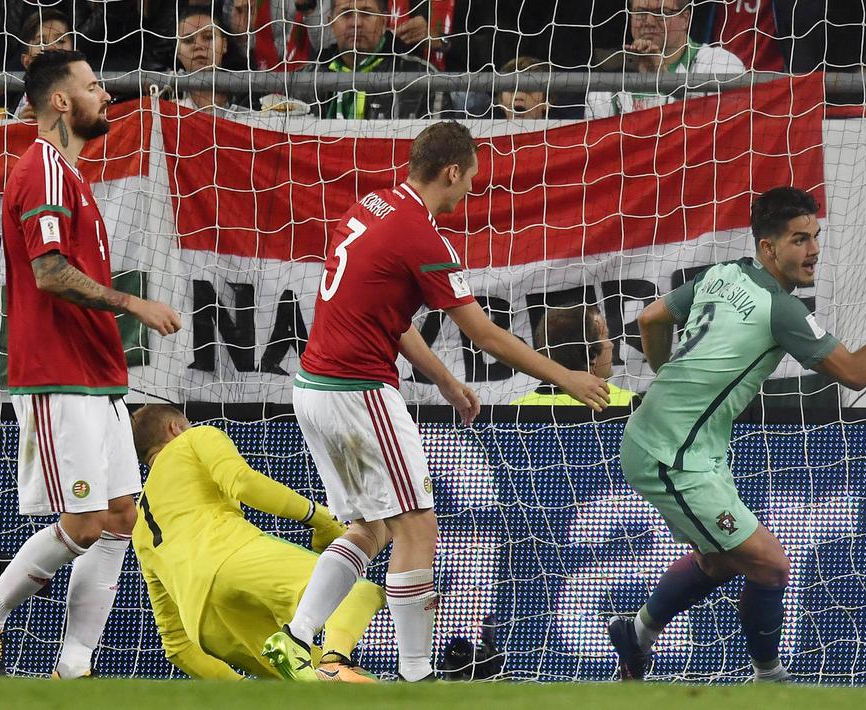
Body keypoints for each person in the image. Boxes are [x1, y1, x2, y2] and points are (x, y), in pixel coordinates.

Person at [262, 121, 611, 683]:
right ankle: (418, 676)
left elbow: (387, 319)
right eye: (471, 177)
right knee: (418, 527)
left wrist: (446, 380)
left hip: (314, 390)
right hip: (357, 392)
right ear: (452, 171)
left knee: (372, 528)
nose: (471, 188)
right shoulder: (422, 236)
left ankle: (294, 637)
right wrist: (565, 376)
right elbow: (486, 335)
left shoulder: (371, 205)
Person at [608, 186, 866, 682]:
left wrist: (666, 372)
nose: (813, 250)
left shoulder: (723, 273)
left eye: (816, 237)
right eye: (799, 239)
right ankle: (770, 681)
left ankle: (637, 634)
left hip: (687, 445)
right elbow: (857, 373)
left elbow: (650, 317)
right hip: (670, 454)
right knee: (771, 566)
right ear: (768, 246)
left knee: (719, 561)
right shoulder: (780, 309)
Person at [0, 49, 183, 678]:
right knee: (82, 521)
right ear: (60, 101)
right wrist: (132, 301)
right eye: (92, 85)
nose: (106, 95)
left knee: (118, 518)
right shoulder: (45, 170)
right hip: (57, 375)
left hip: (95, 375)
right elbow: (49, 272)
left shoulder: (70, 176)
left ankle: (75, 667)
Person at [130, 405, 383, 682]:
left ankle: (330, 675)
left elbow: (177, 646)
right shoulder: (192, 439)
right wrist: (319, 516)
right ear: (175, 428)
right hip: (231, 556)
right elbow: (243, 483)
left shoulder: (140, 528)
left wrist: (242, 690)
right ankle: (335, 659)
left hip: (203, 624)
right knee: (354, 591)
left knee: (314, 684)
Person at [586, 0, 744, 120]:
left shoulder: (720, 63)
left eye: (661, 13)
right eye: (640, 12)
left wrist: (665, 80)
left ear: (686, 19)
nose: (648, 22)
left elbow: (723, 125)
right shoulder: (610, 76)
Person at [309, 0, 442, 119]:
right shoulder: (307, 77)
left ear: (384, 21)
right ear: (330, 22)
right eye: (346, 14)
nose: (356, 23)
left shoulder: (424, 78)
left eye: (366, 14)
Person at [512, 304, 637, 407]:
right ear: (590, 353)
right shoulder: (628, 404)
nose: (611, 344)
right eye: (605, 336)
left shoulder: (516, 410)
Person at [173, 6, 251, 115]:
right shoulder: (165, 94)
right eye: (188, 40)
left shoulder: (250, 94)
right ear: (177, 52)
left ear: (224, 45)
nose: (198, 46)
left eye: (208, 37)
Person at [7, 10, 75, 121]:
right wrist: (19, 127)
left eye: (60, 41)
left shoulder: (92, 97)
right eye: (41, 42)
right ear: (27, 61)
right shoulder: (9, 99)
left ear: (76, 53)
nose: (51, 48)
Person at [495, 56, 548, 121]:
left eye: (528, 89)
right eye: (511, 89)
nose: (518, 96)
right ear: (500, 100)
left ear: (546, 100)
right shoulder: (488, 129)